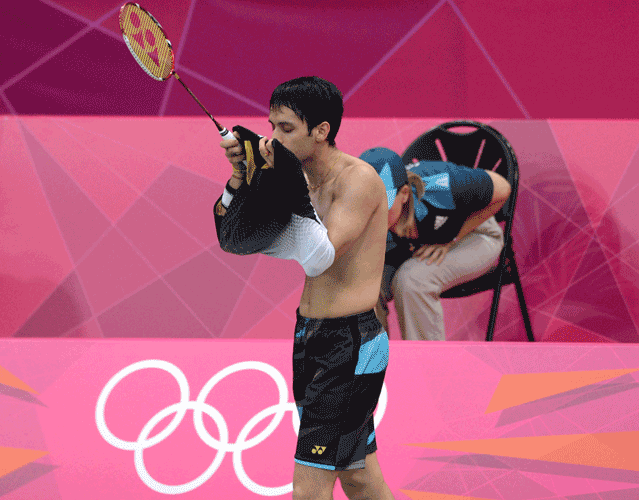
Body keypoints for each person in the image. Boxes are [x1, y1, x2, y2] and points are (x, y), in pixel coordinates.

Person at [213, 76, 395, 500]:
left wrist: (279, 181)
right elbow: (244, 240)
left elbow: (320, 255)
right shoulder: (302, 182)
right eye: (271, 126)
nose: (273, 139)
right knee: (358, 476)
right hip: (310, 336)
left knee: (309, 486)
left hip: (351, 343)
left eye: (287, 129)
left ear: (322, 131)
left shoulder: (359, 180)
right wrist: (241, 178)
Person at [359, 147, 510, 341]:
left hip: (475, 233)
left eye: (383, 203)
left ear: (404, 194)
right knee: (364, 281)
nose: (375, 212)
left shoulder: (443, 185)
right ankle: (375, 364)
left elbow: (503, 187)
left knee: (412, 281)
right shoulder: (361, 202)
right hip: (416, 242)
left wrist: (453, 237)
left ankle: (428, 366)